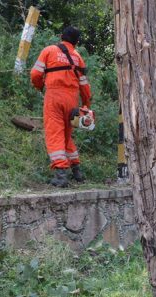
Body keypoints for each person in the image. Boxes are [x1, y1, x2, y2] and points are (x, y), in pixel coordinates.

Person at [30, 26, 92, 187]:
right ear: (77, 42)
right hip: (72, 100)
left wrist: (39, 86)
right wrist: (86, 104)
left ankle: (60, 174)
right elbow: (85, 86)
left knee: (54, 133)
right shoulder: (78, 57)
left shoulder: (49, 50)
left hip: (54, 97)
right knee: (66, 135)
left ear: (61, 36)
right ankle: (77, 170)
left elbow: (36, 74)